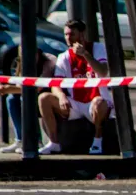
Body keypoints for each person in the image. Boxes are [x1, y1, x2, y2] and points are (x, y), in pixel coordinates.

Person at [37, 19, 114, 155]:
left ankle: (97, 140)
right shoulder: (64, 57)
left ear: (82, 34)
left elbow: (103, 71)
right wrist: (61, 97)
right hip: (76, 103)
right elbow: (56, 84)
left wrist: (85, 54)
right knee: (44, 98)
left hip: (96, 101)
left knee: (99, 102)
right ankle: (54, 143)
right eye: (66, 34)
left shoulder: (97, 48)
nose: (68, 38)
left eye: (72, 34)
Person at [0, 48, 56, 154]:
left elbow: (38, 88)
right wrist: (7, 88)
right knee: (11, 99)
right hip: (33, 95)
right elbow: (20, 85)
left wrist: (10, 88)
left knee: (26, 98)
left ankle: (36, 140)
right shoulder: (22, 63)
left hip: (47, 96)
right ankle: (20, 139)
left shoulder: (49, 61)